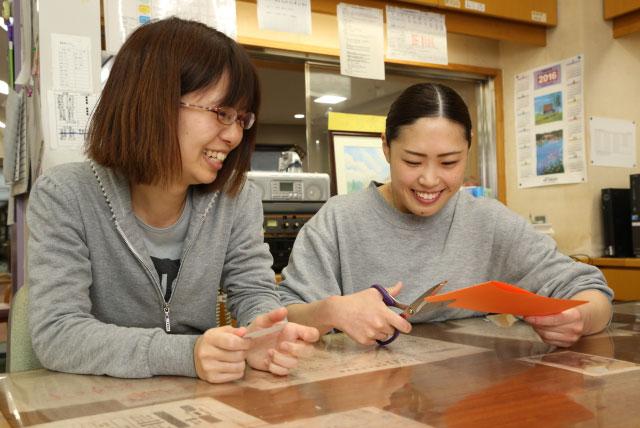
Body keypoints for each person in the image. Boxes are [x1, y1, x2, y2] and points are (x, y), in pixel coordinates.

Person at [27, 17, 318, 384]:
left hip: (201, 398)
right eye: (221, 113)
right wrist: (185, 353)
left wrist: (263, 330)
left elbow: (254, 289)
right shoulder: (67, 193)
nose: (233, 136)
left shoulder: (236, 198)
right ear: (153, 103)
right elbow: (57, 333)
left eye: (241, 119)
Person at [278, 83, 612, 348]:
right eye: (412, 161)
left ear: (468, 150)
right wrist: (328, 311)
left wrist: (579, 317)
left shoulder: (488, 222)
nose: (429, 179)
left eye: (449, 162)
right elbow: (280, 317)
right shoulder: (339, 220)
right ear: (385, 148)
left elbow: (591, 291)